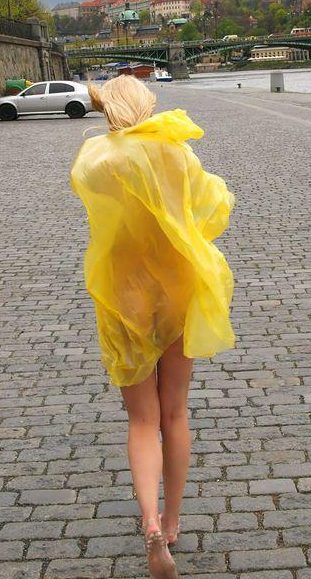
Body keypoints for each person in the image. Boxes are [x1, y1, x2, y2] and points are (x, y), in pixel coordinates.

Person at [70, 75, 236, 579]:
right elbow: (213, 210)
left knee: (141, 420)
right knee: (175, 413)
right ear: (147, 106)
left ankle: (148, 522)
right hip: (178, 287)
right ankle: (173, 518)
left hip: (125, 293)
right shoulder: (175, 154)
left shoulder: (93, 159)